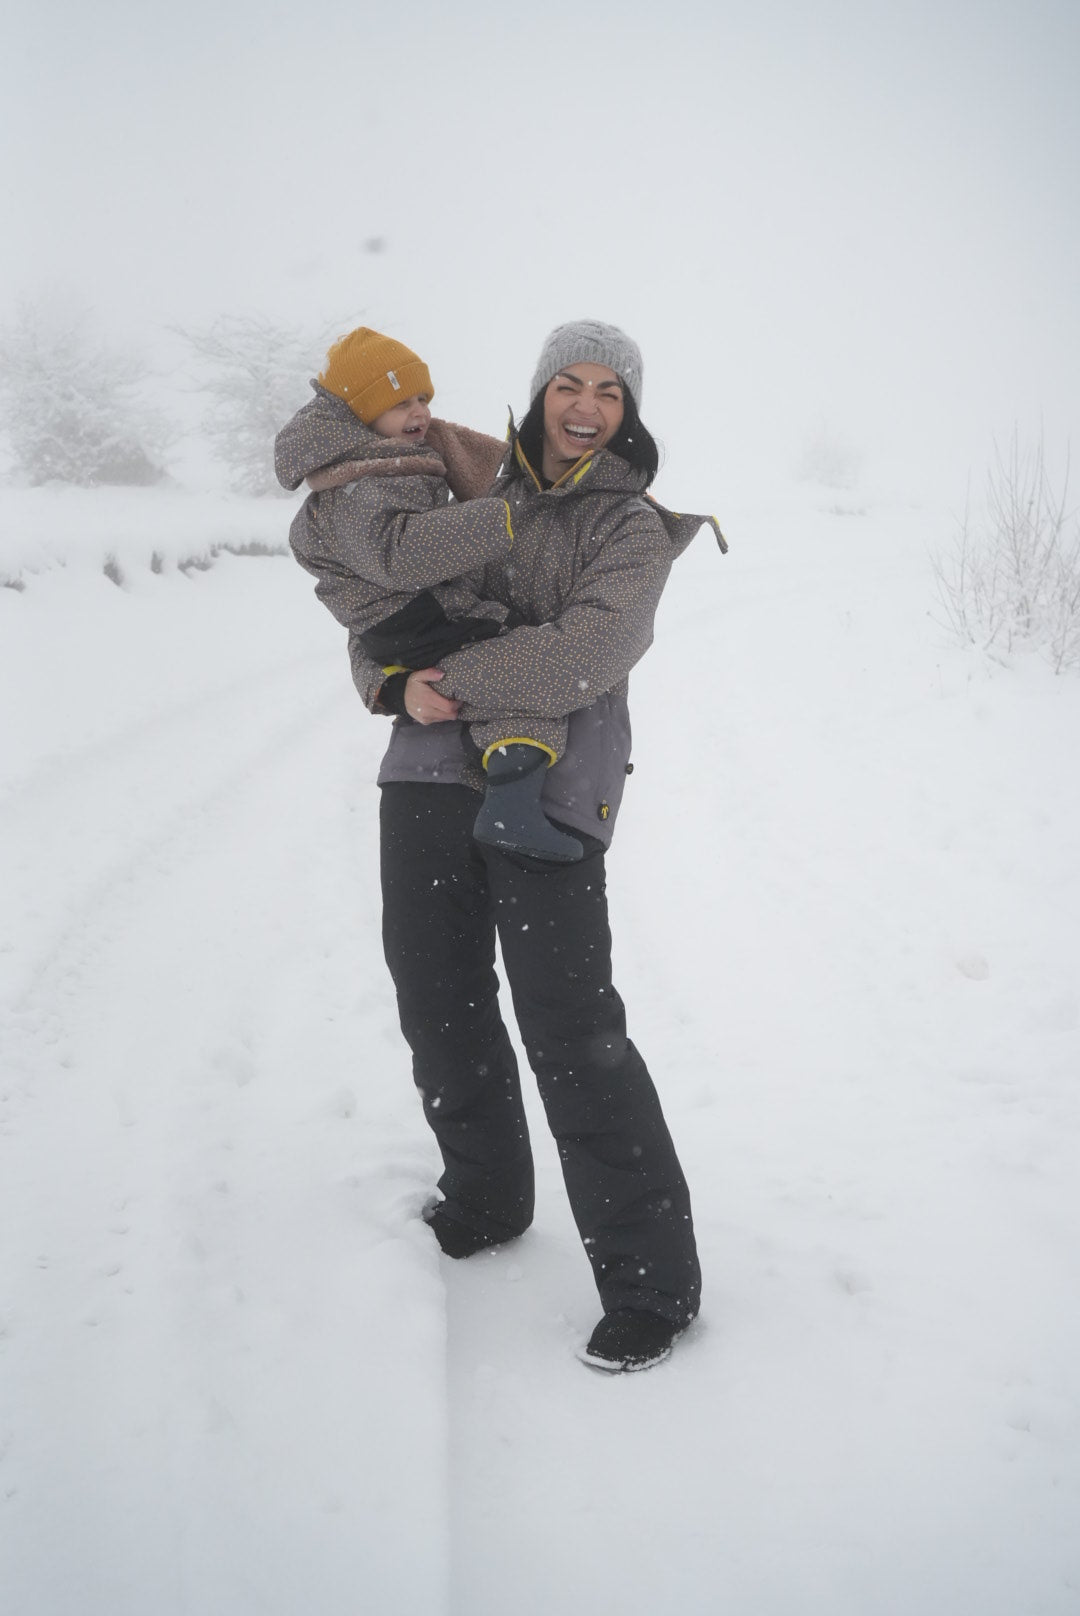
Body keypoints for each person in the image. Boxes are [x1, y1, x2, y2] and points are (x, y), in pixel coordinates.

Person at [316, 319, 726, 1372]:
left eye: (608, 391)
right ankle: (488, 1195)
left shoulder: (630, 525)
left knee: (571, 1028)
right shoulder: (466, 484)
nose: (585, 405)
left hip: (552, 791)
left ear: (628, 411)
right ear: (540, 392)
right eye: (568, 384)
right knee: (436, 998)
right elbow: (380, 604)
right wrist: (389, 684)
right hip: (422, 777)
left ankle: (651, 1282)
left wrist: (461, 677)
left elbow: (591, 649)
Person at [276, 326, 580, 862]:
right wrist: (501, 517)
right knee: (526, 667)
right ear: (359, 412)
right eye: (400, 402)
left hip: (407, 619)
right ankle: (512, 804)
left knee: (508, 670)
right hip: (419, 614)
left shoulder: (376, 464)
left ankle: (510, 796)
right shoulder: (357, 483)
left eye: (423, 399)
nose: (419, 413)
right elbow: (399, 557)